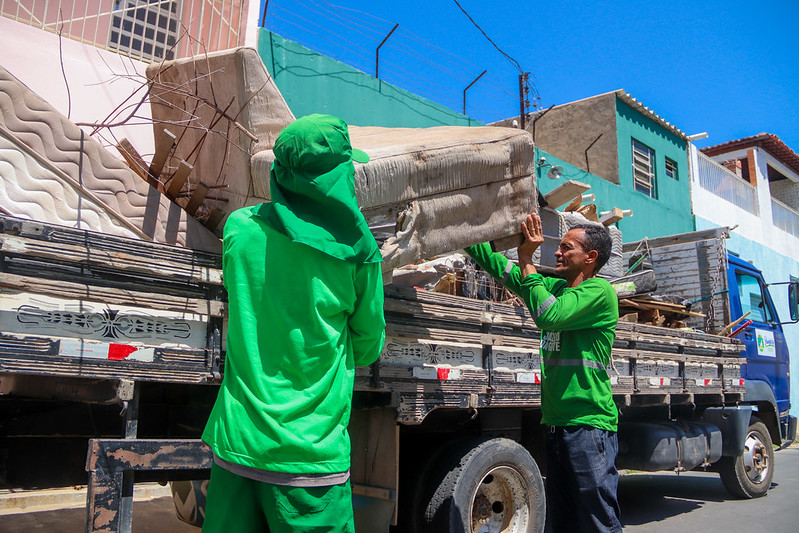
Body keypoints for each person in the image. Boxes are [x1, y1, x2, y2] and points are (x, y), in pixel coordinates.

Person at [201, 114, 386, 532]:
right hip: (310, 458)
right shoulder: (359, 252)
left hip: (237, 447)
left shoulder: (240, 228)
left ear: (279, 173)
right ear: (339, 177)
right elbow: (369, 343)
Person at [464, 212, 621, 532]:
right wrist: (464, 230)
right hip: (558, 425)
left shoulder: (600, 294)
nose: (557, 252)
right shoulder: (556, 289)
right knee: (563, 520)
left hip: (589, 427)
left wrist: (526, 258)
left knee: (596, 519)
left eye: (567, 247)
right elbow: (501, 268)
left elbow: (549, 315)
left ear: (590, 257)